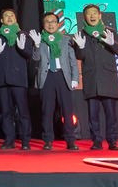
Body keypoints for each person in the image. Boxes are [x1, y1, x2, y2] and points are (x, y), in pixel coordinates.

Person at [73, 4, 118, 151]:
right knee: (93, 115)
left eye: (94, 13)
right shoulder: (81, 34)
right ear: (85, 17)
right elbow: (80, 57)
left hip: (108, 79)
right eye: (88, 14)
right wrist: (80, 48)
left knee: (111, 114)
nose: (92, 16)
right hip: (91, 79)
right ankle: (96, 141)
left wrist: (112, 43)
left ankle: (112, 141)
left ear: (99, 15)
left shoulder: (109, 32)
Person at [29, 12, 79, 151]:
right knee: (47, 111)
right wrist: (37, 45)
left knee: (67, 111)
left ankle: (70, 140)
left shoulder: (65, 40)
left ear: (58, 24)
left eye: (53, 21)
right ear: (43, 25)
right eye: (47, 21)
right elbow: (35, 58)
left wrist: (75, 78)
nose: (50, 24)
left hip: (63, 77)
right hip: (47, 77)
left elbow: (72, 61)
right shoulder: (41, 40)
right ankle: (48, 140)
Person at [0, 8, 32, 150]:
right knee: (6, 112)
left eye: (12, 16)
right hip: (3, 79)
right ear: (1, 20)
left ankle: (26, 141)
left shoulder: (23, 35)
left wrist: (22, 48)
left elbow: (29, 54)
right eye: (6, 16)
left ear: (16, 19)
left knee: (23, 111)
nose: (9, 18)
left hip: (19, 79)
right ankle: (9, 140)